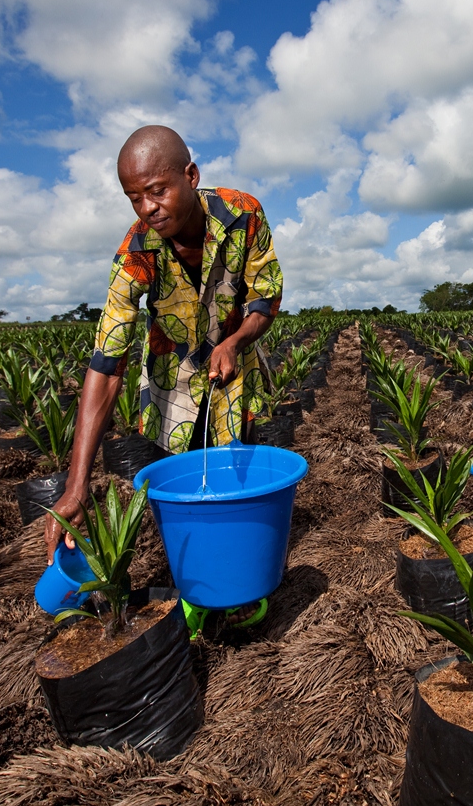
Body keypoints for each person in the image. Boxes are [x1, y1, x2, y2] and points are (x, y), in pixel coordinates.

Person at [44, 125, 283, 626]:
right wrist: (77, 484)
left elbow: (266, 295)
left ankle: (241, 585)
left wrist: (236, 341)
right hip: (171, 378)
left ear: (190, 177)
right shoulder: (135, 253)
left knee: (236, 480)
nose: (148, 207)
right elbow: (106, 363)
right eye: (135, 198)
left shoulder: (243, 213)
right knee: (181, 493)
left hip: (232, 368)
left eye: (157, 190)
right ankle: (196, 590)